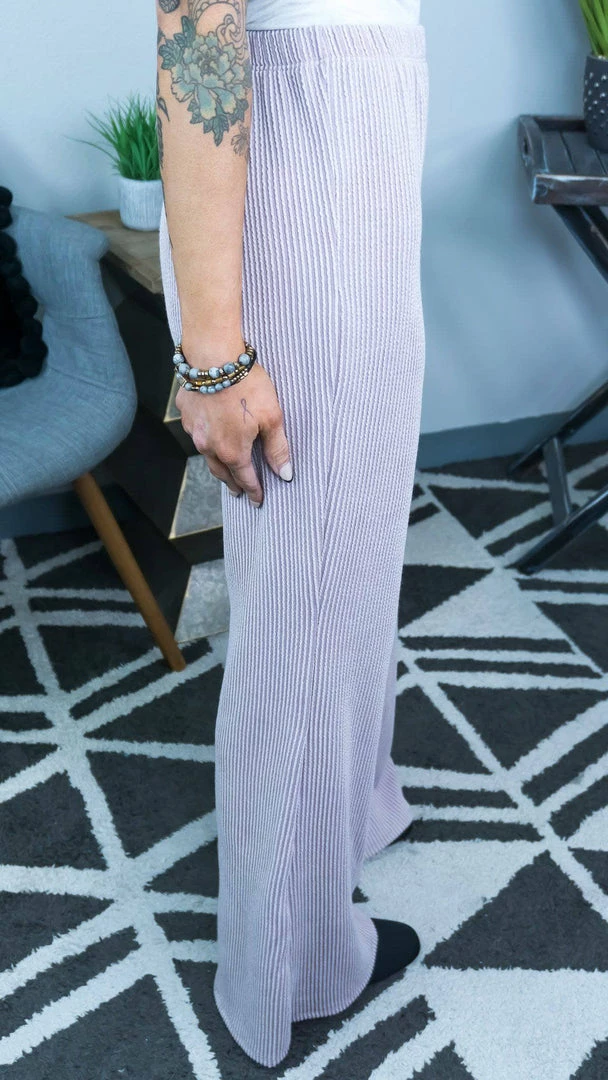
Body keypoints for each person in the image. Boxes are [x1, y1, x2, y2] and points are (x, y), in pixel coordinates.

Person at [156, 0, 429, 1066]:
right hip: (305, 187)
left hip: (357, 165)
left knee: (353, 559)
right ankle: (289, 962)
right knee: (306, 606)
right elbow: (196, 32)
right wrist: (214, 355)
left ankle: (347, 808)